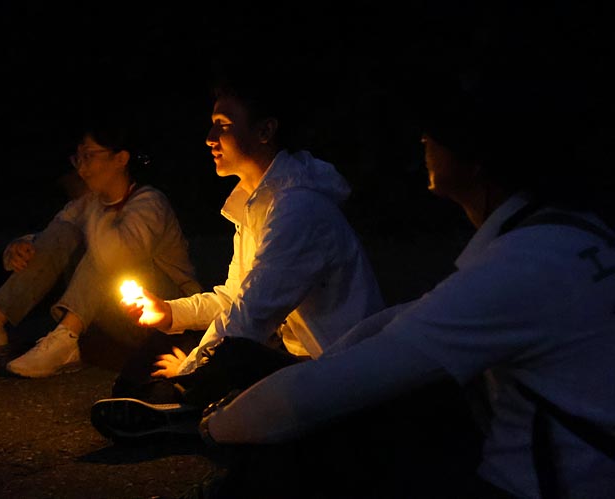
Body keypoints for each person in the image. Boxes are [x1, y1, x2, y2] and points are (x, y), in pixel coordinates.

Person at [191, 74, 615, 499]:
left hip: (529, 483)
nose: (423, 141)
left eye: (435, 130)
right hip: (563, 466)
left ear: (477, 153)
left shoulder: (522, 265)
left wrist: (214, 424)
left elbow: (307, 397)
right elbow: (403, 318)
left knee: (304, 452)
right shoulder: (570, 236)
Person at [90, 63, 385, 439]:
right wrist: (168, 312)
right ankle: (196, 410)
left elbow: (251, 314)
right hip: (303, 363)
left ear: (265, 131)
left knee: (222, 359)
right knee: (148, 368)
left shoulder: (298, 209)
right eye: (213, 123)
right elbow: (234, 297)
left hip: (338, 371)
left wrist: (194, 370)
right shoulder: (258, 205)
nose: (210, 137)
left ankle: (188, 415)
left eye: (224, 125)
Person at [0, 109, 203, 378]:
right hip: (118, 311)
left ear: (120, 159)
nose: (81, 168)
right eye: (79, 157)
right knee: (65, 232)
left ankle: (66, 337)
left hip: (166, 314)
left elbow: (115, 256)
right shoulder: (88, 202)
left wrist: (93, 203)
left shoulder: (149, 202)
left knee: (107, 251)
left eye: (90, 157)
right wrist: (20, 246)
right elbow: (51, 237)